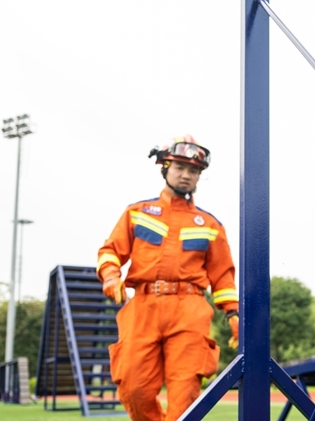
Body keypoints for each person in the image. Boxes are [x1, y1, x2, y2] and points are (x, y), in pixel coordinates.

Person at [96, 135, 239, 421]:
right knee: (134, 389)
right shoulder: (136, 213)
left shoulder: (211, 225)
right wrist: (112, 277)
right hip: (143, 308)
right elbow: (110, 251)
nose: (187, 176)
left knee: (184, 397)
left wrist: (233, 314)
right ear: (164, 168)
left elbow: (223, 276)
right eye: (180, 168)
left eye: (194, 171)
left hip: (189, 310)